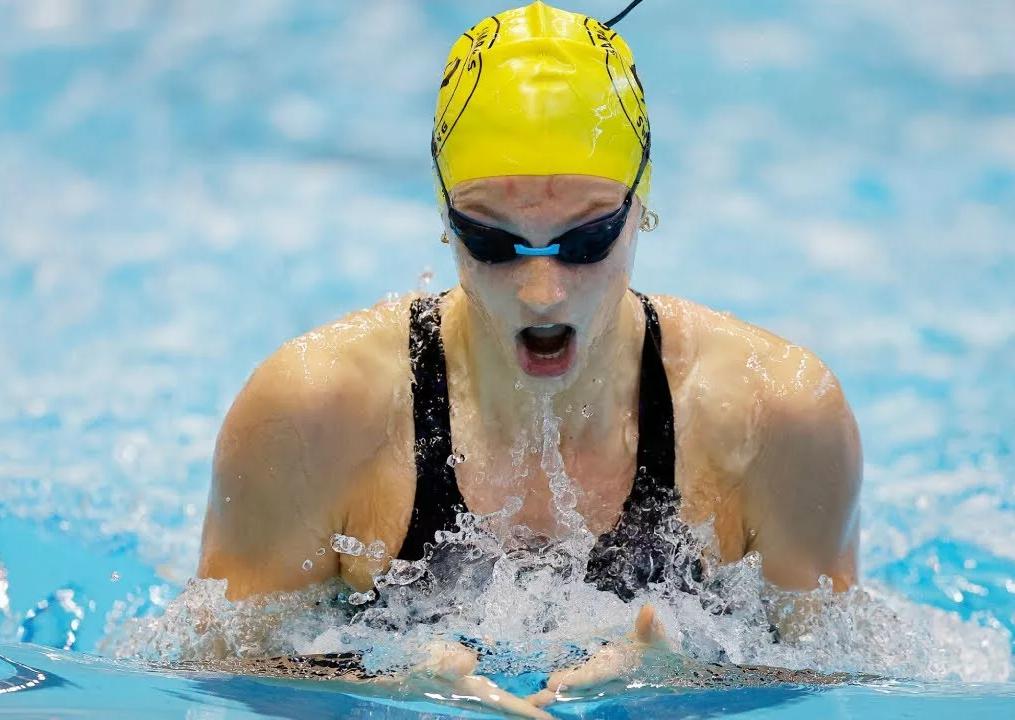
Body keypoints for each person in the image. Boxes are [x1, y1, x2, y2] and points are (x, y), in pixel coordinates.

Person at [197, 1, 861, 713]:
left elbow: (846, 679)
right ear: (442, 215)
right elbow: (208, 669)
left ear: (642, 205)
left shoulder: (778, 419)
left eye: (585, 241)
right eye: (491, 240)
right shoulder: (312, 413)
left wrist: (695, 684)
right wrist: (384, 687)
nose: (542, 291)